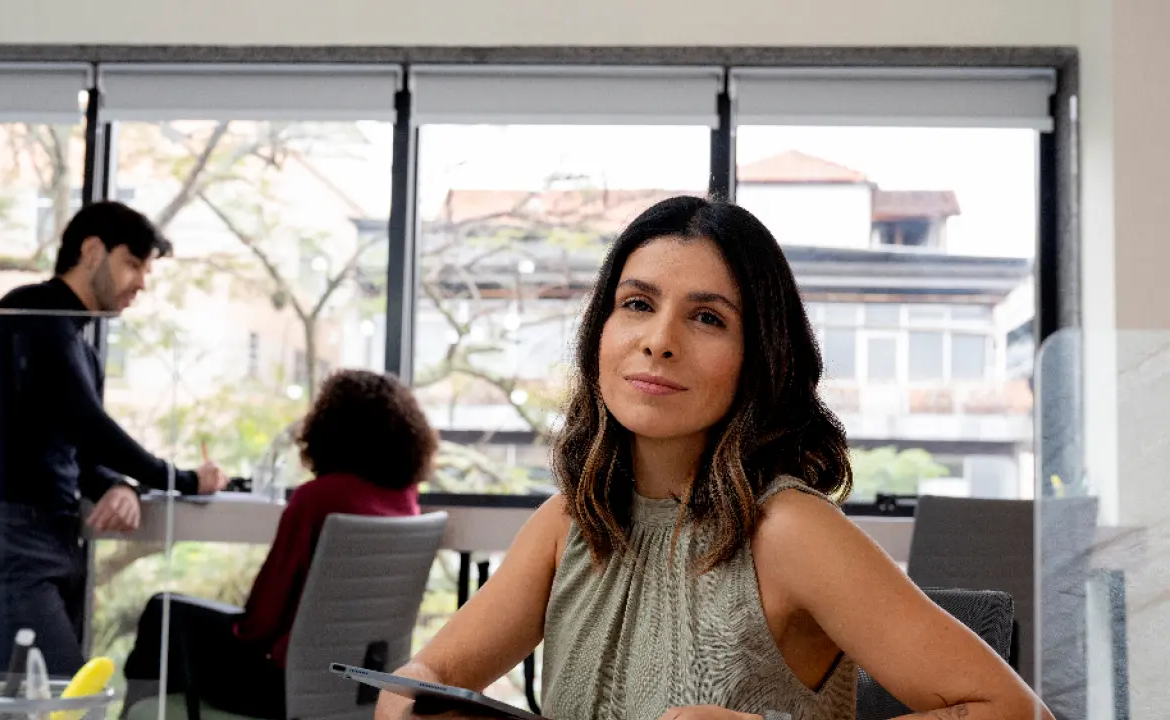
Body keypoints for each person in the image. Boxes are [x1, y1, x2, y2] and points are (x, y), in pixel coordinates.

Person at [375, 197, 1054, 720]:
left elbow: (1017, 713)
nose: (659, 340)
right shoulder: (569, 524)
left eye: (708, 318)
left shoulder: (790, 531)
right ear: (600, 334)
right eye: (637, 304)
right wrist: (411, 705)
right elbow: (423, 678)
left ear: (759, 358)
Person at [0, 201, 229, 678]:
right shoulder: (34, 311)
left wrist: (118, 484)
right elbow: (88, 424)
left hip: (50, 539)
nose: (142, 283)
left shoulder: (81, 347)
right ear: (92, 251)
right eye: (133, 264)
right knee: (62, 696)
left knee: (30, 700)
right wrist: (183, 480)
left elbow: (79, 449)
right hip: (4, 543)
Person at [123, 368, 438, 720]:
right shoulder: (406, 501)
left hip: (281, 689)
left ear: (331, 431)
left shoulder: (318, 499)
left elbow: (260, 624)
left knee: (164, 611)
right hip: (362, 689)